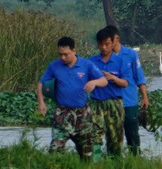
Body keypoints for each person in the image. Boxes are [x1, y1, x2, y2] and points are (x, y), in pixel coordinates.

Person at [37, 36, 108, 161]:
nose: (63, 58)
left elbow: (104, 81)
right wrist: (41, 103)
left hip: (83, 113)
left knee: (86, 151)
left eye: (66, 54)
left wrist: (95, 82)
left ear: (74, 50)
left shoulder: (86, 65)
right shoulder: (54, 66)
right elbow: (41, 83)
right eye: (60, 55)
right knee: (55, 149)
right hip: (62, 113)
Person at [107, 25, 150, 155]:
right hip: (112, 102)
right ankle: (113, 161)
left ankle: (135, 158)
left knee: (132, 134)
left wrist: (144, 96)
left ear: (117, 38)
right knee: (113, 135)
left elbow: (139, 77)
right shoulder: (105, 56)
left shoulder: (131, 54)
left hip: (129, 101)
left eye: (110, 41)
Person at [89, 27, 130, 157]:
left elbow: (125, 83)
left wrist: (113, 78)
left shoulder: (120, 61)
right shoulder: (91, 62)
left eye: (107, 44)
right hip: (96, 103)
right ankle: (96, 162)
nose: (104, 47)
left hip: (115, 103)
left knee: (115, 136)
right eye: (101, 44)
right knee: (95, 135)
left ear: (113, 43)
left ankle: (116, 163)